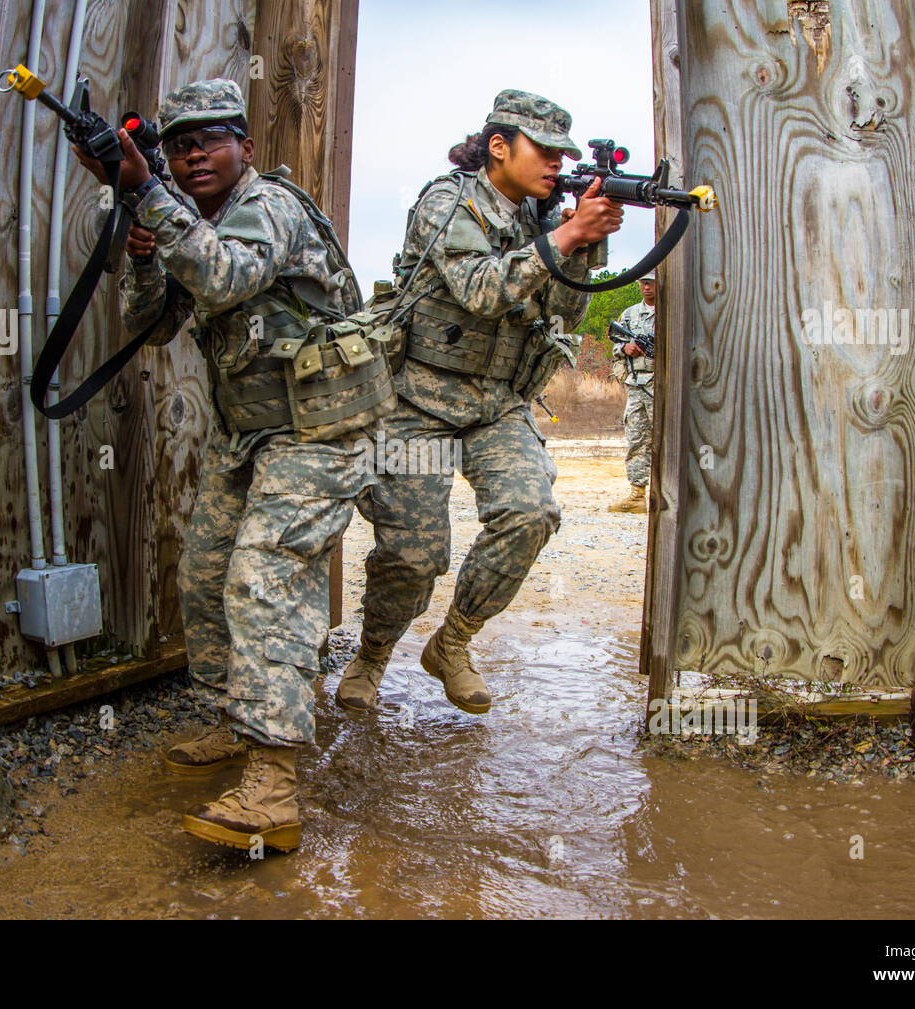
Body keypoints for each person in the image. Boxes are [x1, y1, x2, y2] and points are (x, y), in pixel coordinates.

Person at [75, 79, 394, 852]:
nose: (191, 156)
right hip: (247, 435)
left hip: (319, 432)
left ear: (244, 148)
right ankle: (234, 716)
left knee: (263, 577)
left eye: (209, 139)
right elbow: (151, 327)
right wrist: (145, 252)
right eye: (177, 145)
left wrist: (148, 194)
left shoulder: (269, 209)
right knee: (204, 574)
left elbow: (223, 275)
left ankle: (273, 784)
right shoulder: (195, 220)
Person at [335, 89, 622, 714]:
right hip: (420, 401)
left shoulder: (539, 219)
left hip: (499, 401)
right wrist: (569, 231)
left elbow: (567, 311)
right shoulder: (448, 200)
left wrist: (584, 241)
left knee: (530, 511)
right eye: (543, 151)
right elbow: (479, 290)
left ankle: (453, 643)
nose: (555, 164)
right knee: (413, 551)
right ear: (499, 146)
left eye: (561, 155)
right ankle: (373, 653)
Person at [608, 273, 656, 514]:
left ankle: (669, 492)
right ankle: (637, 495)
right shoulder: (629, 314)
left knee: (669, 441)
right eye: (642, 282)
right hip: (637, 384)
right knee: (637, 438)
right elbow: (615, 341)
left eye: (651, 282)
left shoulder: (672, 309)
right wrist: (625, 347)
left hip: (664, 384)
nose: (646, 287)